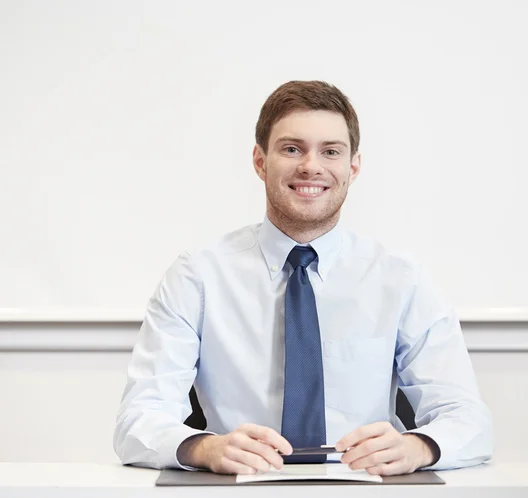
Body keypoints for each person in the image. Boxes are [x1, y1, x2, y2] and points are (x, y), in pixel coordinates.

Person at [113, 80, 493, 476]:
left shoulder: (400, 277)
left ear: (354, 166)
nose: (311, 166)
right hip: (241, 488)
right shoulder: (198, 274)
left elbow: (468, 419)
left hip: (365, 488)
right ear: (260, 161)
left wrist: (418, 447)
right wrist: (205, 448)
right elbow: (137, 420)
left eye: (331, 151)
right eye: (291, 149)